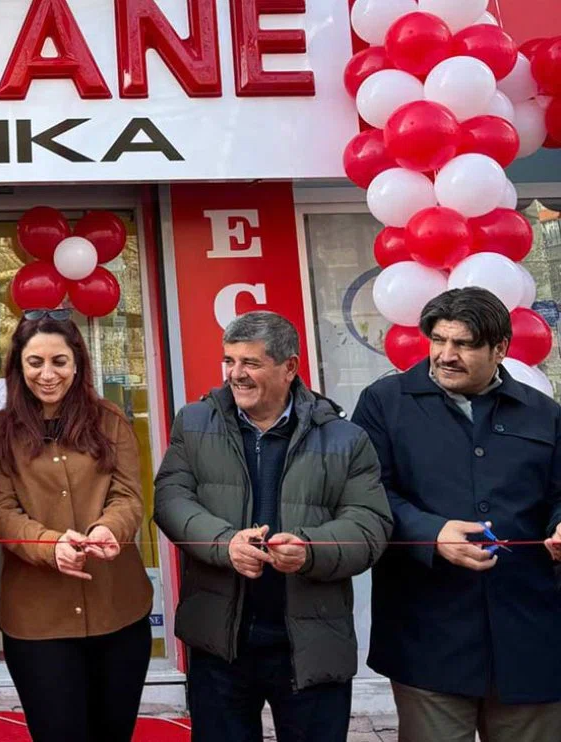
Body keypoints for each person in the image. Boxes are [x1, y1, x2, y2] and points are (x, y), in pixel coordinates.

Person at [153, 310, 392, 742]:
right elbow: (171, 500)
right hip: (218, 642)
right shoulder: (193, 422)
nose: (235, 374)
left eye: (251, 363)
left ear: (290, 367)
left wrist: (310, 550)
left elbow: (370, 524)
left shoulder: (345, 438)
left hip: (313, 643)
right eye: (229, 361)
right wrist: (224, 544)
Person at [352, 287, 561, 742]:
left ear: (500, 349)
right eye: (438, 340)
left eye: (463, 344)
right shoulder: (384, 402)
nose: (446, 355)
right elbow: (364, 494)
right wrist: (431, 534)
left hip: (530, 634)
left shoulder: (543, 414)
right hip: (427, 635)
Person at [0, 309, 153, 742]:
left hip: (119, 610)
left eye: (59, 361)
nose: (47, 374)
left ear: (77, 363)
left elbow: (129, 496)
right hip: (38, 623)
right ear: (18, 366)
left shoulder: (109, 419)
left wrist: (109, 529)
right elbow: (0, 510)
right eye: (34, 362)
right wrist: (49, 545)